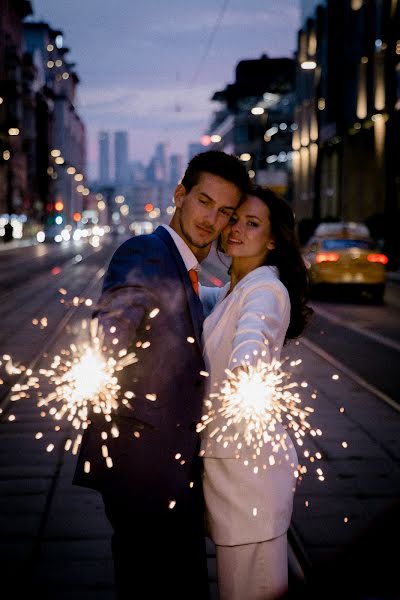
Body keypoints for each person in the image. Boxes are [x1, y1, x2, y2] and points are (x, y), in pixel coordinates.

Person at [72, 150, 249, 599]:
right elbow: (113, 325)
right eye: (204, 202)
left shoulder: (183, 266)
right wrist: (107, 351)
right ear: (180, 195)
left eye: (225, 211)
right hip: (145, 475)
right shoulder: (145, 252)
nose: (212, 218)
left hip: (169, 473)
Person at [199, 185, 312, 600]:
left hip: (249, 479)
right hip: (235, 479)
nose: (236, 230)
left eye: (252, 224)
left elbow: (254, 332)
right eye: (234, 219)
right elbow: (202, 298)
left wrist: (247, 369)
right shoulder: (233, 290)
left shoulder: (264, 290)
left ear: (272, 238)